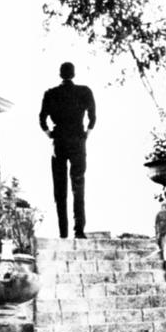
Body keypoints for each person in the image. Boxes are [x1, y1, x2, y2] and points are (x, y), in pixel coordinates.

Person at [39, 62, 96, 239]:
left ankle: (63, 233)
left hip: (59, 141)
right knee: (78, 186)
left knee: (60, 188)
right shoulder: (85, 91)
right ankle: (79, 230)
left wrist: (50, 133)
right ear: (74, 73)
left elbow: (42, 119)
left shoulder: (50, 93)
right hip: (78, 140)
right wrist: (86, 132)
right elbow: (93, 117)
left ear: (60, 74)